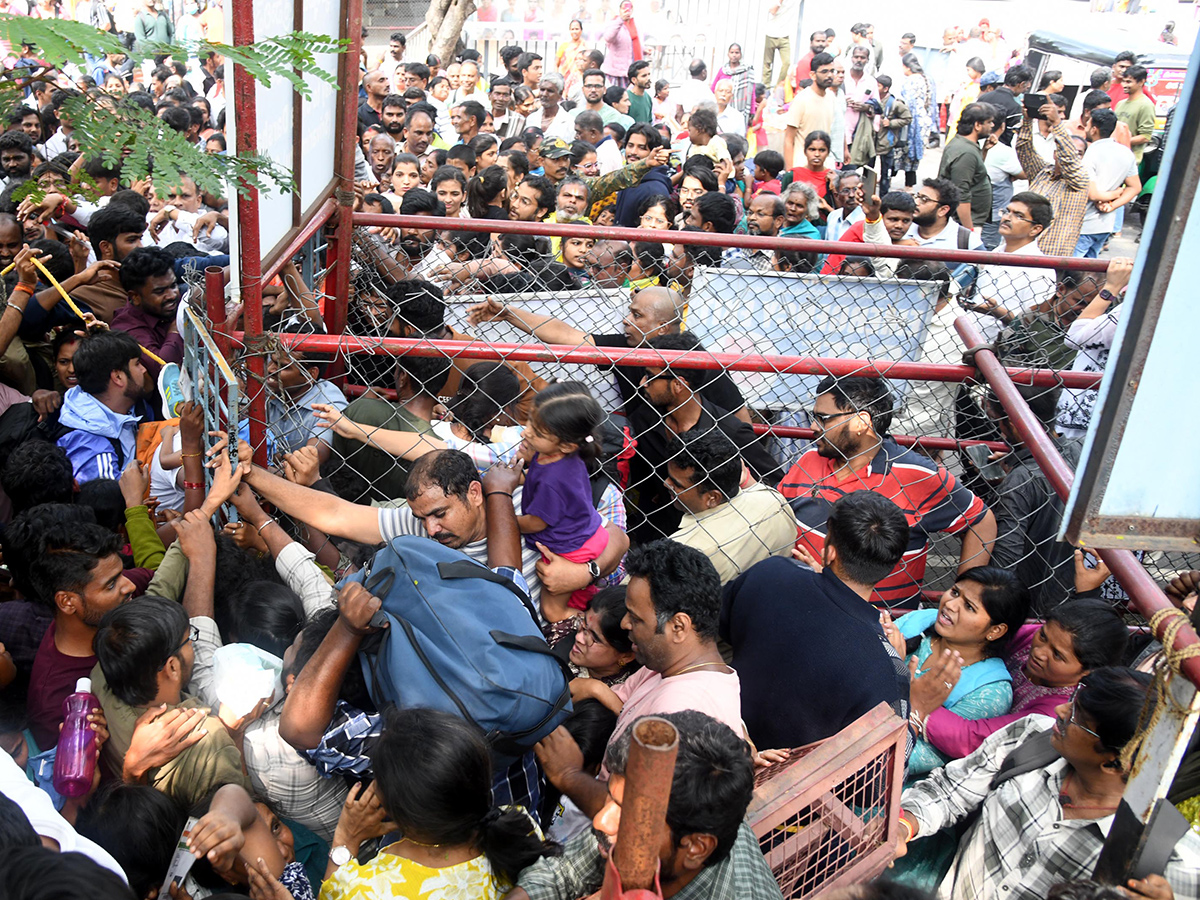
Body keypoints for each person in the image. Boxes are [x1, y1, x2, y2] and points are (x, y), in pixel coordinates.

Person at [895, 667, 1200, 900]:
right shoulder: (1030, 737)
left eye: (1076, 717)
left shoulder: (1173, 861)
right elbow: (950, 792)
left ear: (1113, 762)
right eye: (1073, 701)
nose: (1060, 711)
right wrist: (905, 825)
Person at [536, 542, 742, 819]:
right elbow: (619, 701)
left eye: (636, 618)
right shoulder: (664, 667)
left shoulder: (679, 715)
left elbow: (637, 819)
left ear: (678, 627)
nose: (624, 625)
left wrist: (568, 774)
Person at [513, 710, 783, 900]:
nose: (600, 820)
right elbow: (567, 871)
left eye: (628, 815)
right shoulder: (670, 824)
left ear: (696, 848)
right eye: (613, 799)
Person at [779, 376, 995, 608]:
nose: (813, 426)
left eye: (822, 418)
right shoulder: (807, 461)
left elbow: (981, 523)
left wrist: (964, 595)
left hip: (883, 626)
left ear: (861, 422)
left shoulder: (917, 474)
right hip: (805, 607)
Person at [721, 491, 913, 750]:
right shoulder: (885, 666)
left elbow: (717, 622)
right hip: (789, 781)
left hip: (719, 731)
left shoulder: (770, 573)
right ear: (891, 564)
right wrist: (918, 705)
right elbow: (885, 769)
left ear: (830, 551)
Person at [320, 706, 559, 899]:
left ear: (397, 813)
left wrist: (346, 838)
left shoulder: (367, 891)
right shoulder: (518, 823)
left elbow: (332, 894)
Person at [11, 512, 134, 751]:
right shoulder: (55, 704)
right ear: (67, 602)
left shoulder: (106, 606)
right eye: (111, 584)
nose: (129, 586)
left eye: (122, 574)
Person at [891, 566, 1029, 777]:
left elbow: (916, 759)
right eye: (955, 592)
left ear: (995, 630)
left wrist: (890, 668)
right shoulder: (920, 621)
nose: (950, 604)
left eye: (969, 607)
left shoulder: (990, 692)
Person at [517, 383, 610, 622]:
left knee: (552, 611)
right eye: (528, 421)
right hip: (586, 530)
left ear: (567, 444)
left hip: (572, 548)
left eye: (537, 432)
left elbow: (536, 523)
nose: (525, 432)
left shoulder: (553, 480)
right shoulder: (556, 453)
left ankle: (595, 625)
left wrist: (504, 518)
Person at [984, 385, 1079, 613]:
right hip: (1075, 595)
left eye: (999, 421)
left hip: (1030, 609)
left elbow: (1004, 562)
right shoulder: (1079, 450)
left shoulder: (1020, 481)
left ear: (1015, 426)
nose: (999, 429)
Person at [663, 430, 797, 585]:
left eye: (677, 484)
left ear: (712, 498)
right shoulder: (774, 501)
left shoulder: (686, 550)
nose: (666, 483)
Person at [966, 191, 1058, 342]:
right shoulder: (996, 252)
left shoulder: (1040, 270)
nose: (1007, 217)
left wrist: (997, 312)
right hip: (967, 339)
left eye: (1018, 215)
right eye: (1007, 211)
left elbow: (1035, 325)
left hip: (999, 350)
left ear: (1035, 229)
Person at [56, 330, 145, 483]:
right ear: (118, 377)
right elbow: (111, 503)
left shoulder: (124, 406)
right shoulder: (91, 448)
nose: (143, 369)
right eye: (137, 364)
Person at [1014, 99, 1090, 259]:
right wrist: (1027, 121)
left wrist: (1057, 122)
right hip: (1022, 251)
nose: (1073, 155)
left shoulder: (1079, 180)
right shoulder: (1042, 172)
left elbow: (1069, 160)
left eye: (1079, 154)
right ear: (1055, 153)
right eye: (1069, 150)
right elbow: (1024, 148)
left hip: (1050, 259)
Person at [109, 246, 182, 381]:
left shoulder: (181, 301)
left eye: (173, 286)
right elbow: (162, 369)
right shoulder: (126, 328)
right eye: (160, 292)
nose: (172, 295)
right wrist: (177, 327)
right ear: (135, 297)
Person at [1075, 109, 1139, 258]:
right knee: (1089, 272)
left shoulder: (1090, 154)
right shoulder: (1126, 153)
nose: (1085, 129)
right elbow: (1135, 187)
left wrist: (1110, 196)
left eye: (1087, 125)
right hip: (1105, 224)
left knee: (1069, 272)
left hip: (1084, 224)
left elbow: (1092, 194)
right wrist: (1112, 205)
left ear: (1094, 129)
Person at [567, 587, 638, 686]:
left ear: (626, 656)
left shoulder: (622, 694)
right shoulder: (565, 630)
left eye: (594, 639)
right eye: (583, 625)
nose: (578, 638)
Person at [939, 101, 994, 229]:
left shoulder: (966, 145)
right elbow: (961, 195)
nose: (992, 126)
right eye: (989, 122)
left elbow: (974, 174)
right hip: (964, 224)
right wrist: (970, 230)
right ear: (977, 125)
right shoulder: (966, 152)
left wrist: (984, 151)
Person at [782, 52, 836, 170]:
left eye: (832, 71)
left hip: (823, 168)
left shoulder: (831, 97)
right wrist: (790, 171)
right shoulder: (802, 99)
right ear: (813, 75)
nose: (830, 75)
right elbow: (788, 139)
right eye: (824, 71)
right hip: (802, 167)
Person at [1115, 65, 1155, 166]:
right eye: (1123, 81)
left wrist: (1121, 141)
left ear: (1141, 82)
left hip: (1130, 160)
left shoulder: (1146, 105)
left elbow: (1145, 136)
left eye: (1129, 82)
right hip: (1115, 157)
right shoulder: (1120, 103)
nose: (1124, 85)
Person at [599, 0, 641, 90]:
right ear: (620, 10)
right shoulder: (614, 22)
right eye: (624, 8)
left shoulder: (634, 24)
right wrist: (621, 20)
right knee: (616, 99)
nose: (626, 11)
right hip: (616, 72)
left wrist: (644, 50)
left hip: (631, 70)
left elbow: (631, 44)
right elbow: (608, 37)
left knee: (627, 100)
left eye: (629, 8)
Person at [711, 43, 755, 121]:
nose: (734, 55)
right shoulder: (723, 70)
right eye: (732, 52)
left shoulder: (747, 71)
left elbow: (751, 93)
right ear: (728, 54)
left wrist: (752, 112)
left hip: (741, 109)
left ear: (740, 54)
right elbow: (713, 89)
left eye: (736, 53)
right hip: (724, 107)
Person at [762, 0, 798, 86]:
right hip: (771, 33)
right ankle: (766, 87)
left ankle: (778, 87)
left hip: (785, 35)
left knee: (787, 63)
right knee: (767, 63)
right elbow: (773, 11)